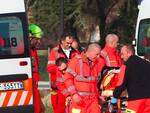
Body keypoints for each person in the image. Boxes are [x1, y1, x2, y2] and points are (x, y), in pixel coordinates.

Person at [64, 43, 105, 113]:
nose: (98, 57)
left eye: (99, 55)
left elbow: (94, 84)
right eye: (96, 54)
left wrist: (98, 96)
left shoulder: (97, 63)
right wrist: (74, 94)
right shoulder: (76, 61)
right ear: (89, 52)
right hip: (79, 100)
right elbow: (68, 78)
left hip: (93, 101)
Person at [111, 44, 150, 113]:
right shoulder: (147, 64)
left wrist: (114, 97)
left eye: (122, 54)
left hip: (135, 101)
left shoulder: (126, 65)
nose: (121, 57)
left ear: (129, 53)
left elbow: (121, 84)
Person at [47, 32, 77, 113]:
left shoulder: (75, 52)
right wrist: (61, 68)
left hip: (72, 88)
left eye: (71, 43)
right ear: (62, 41)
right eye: (67, 43)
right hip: (58, 89)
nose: (69, 45)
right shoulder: (55, 51)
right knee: (59, 110)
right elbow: (50, 68)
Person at [29, 24, 45, 113]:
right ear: (30, 37)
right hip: (30, 84)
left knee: (40, 109)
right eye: (37, 39)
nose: (39, 42)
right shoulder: (27, 51)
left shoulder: (33, 50)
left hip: (35, 85)